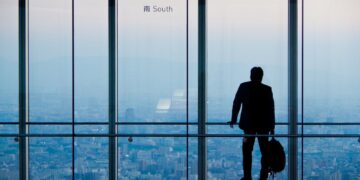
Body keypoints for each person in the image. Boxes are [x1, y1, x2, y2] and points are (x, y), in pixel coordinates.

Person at [228, 67, 275, 180]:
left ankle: (247, 177)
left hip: (248, 125)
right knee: (265, 152)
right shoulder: (267, 89)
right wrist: (272, 126)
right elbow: (271, 109)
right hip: (263, 126)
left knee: (247, 152)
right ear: (261, 76)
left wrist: (234, 119)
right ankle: (263, 177)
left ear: (251, 75)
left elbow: (236, 103)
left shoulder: (244, 86)